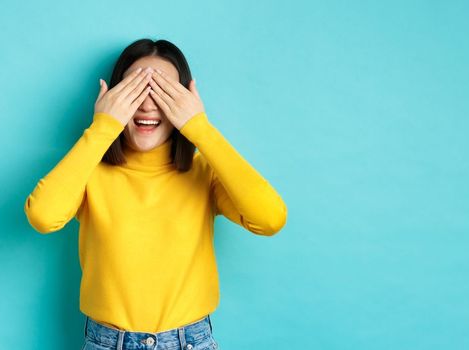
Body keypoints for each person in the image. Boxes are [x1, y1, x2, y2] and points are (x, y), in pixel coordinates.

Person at [24, 38, 287, 350]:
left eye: (163, 92)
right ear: (113, 96)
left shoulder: (203, 172)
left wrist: (200, 128)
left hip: (190, 341)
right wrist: (103, 127)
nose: (148, 104)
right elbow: (43, 216)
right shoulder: (88, 169)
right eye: (135, 90)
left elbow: (270, 219)